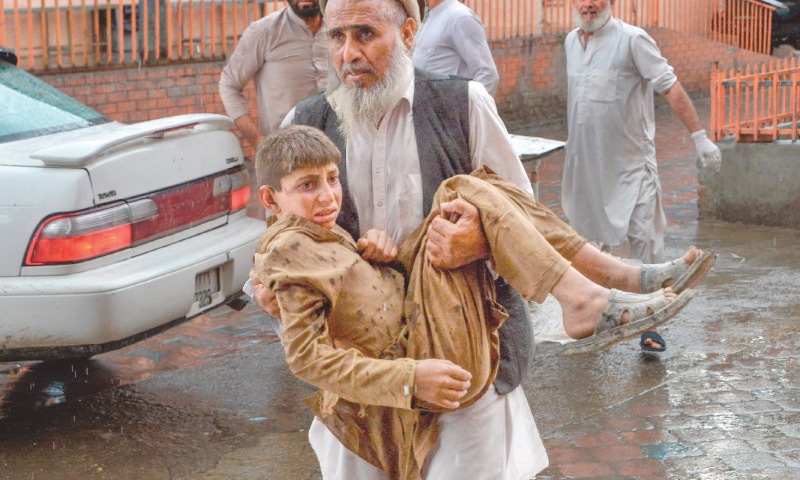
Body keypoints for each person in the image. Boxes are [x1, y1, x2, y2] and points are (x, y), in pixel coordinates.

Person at [248, 0, 715, 477]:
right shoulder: (306, 124)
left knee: (480, 194)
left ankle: (601, 285)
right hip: (363, 372)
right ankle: (599, 287)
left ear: (409, 33)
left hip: (461, 347)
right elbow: (279, 251)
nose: (348, 54)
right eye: (336, 37)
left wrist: (479, 243)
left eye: (365, 34)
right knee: (467, 189)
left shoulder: (462, 104)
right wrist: (277, 291)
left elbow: (518, 215)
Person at [252, 124, 691, 480]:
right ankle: (599, 287)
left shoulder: (315, 231)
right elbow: (306, 360)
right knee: (464, 189)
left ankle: (611, 280)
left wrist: (381, 257)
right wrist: (409, 379)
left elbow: (358, 299)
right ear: (271, 199)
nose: (328, 196)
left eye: (332, 179)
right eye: (308, 185)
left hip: (417, 323)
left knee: (472, 186)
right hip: (422, 354)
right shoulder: (288, 251)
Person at [562, 0, 721, 351]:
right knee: (587, 242)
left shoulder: (634, 40)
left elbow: (670, 86)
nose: (588, 5)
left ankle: (653, 325)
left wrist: (698, 136)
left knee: (645, 239)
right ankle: (598, 314)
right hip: (587, 166)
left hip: (633, 164)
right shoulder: (571, 42)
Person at [218, 0, 328, 150]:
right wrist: (258, 140)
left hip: (337, 149)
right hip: (285, 154)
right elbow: (229, 85)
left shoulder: (338, 28)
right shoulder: (263, 31)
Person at [412, 0, 499, 96]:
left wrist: (468, 109)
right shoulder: (430, 17)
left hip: (448, 108)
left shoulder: (460, 17)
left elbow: (488, 74)